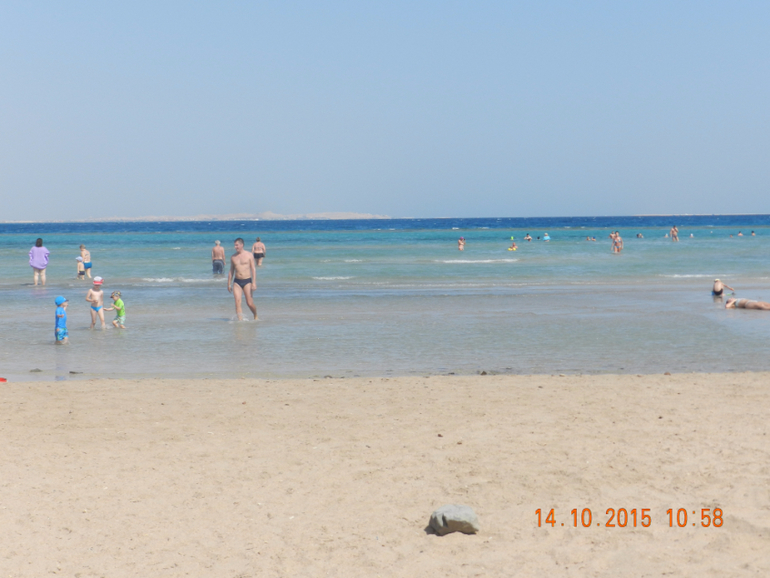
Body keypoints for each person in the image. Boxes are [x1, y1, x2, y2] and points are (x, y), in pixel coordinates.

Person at [228, 238, 258, 320]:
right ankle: (240, 321)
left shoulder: (249, 255)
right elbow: (231, 271)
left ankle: (255, 315)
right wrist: (229, 284)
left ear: (242, 245)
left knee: (249, 303)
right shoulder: (233, 257)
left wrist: (254, 283)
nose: (235, 247)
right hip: (237, 281)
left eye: (237, 245)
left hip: (247, 281)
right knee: (237, 302)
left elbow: (253, 269)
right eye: (235, 245)